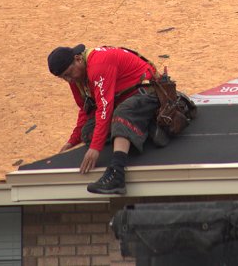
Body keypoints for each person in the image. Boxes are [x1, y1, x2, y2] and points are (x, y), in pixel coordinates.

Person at [48, 43, 170, 195]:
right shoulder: (76, 77)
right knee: (88, 132)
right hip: (124, 99)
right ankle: (145, 127)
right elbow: (87, 109)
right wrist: (72, 141)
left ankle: (117, 174)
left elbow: (104, 108)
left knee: (121, 114)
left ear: (78, 59)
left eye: (68, 74)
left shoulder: (98, 65)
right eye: (63, 78)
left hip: (149, 93)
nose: (69, 80)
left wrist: (95, 148)